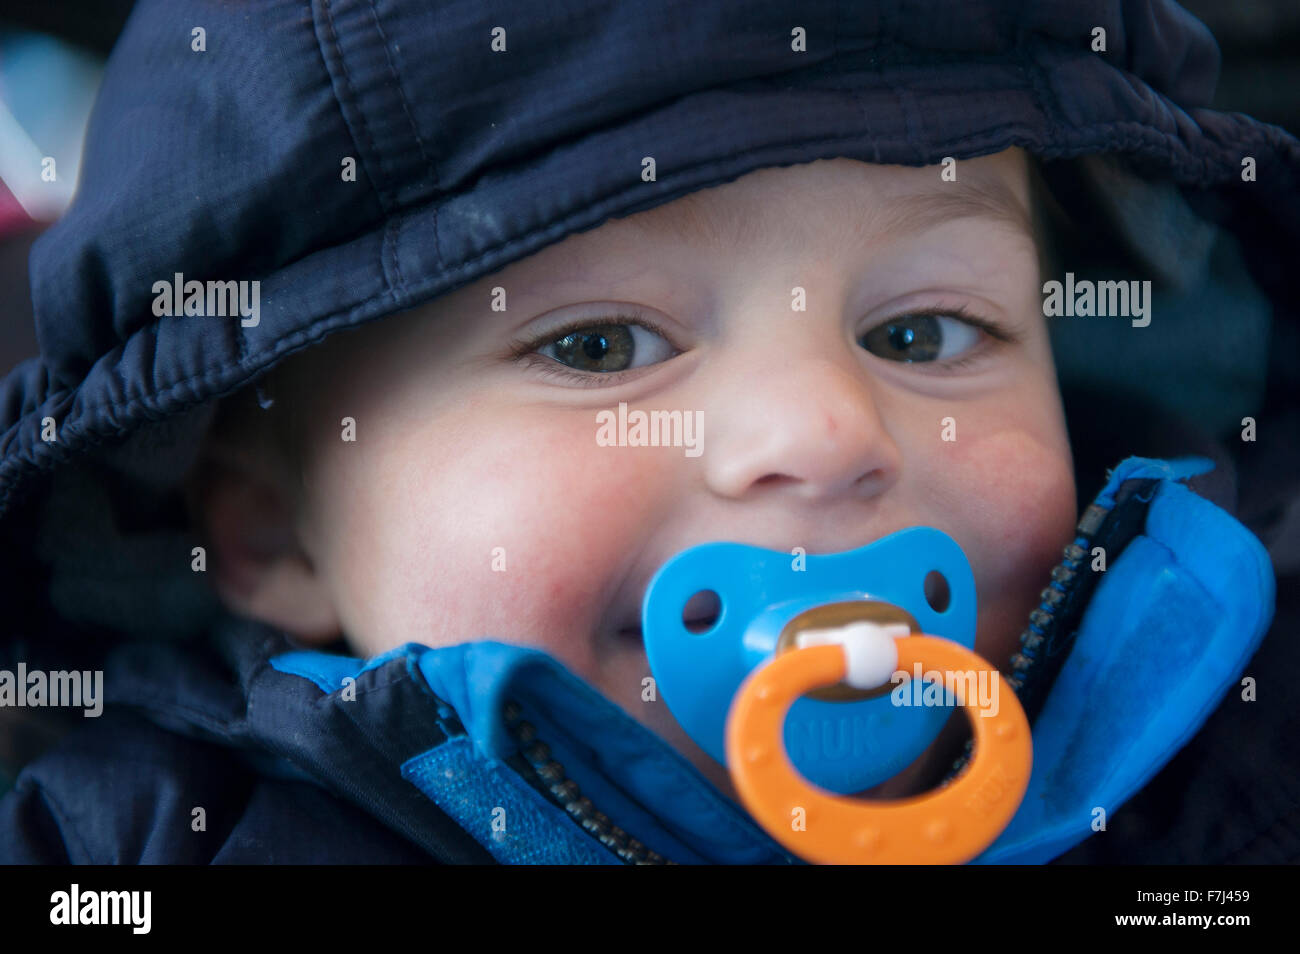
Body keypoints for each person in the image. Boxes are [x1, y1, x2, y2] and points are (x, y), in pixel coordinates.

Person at [0, 0, 1294, 864]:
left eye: (921, 333)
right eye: (598, 345)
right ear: (274, 529)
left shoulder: (1230, 766)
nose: (826, 432)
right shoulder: (145, 846)